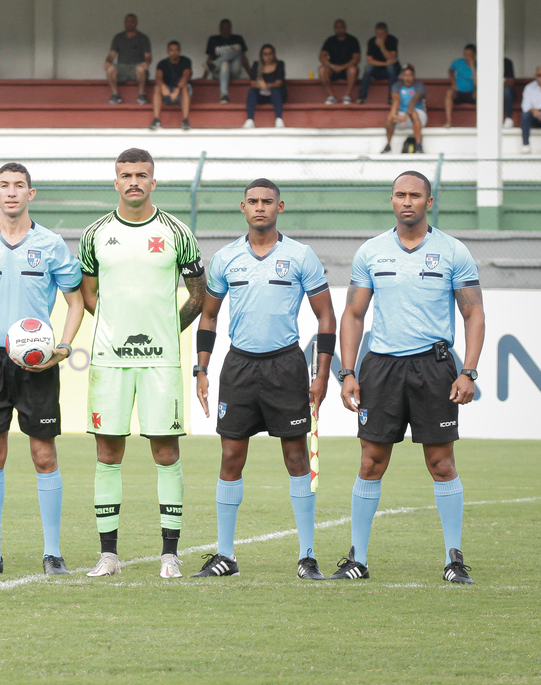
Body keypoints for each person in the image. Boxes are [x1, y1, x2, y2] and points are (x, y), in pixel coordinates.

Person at [330, 170, 485, 584]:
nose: (407, 201)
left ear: (428, 202)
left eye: (415, 195)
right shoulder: (371, 252)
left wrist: (468, 371)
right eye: (400, 194)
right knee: (370, 461)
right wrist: (348, 372)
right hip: (381, 368)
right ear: (392, 200)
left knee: (441, 462)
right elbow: (354, 315)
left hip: (434, 367)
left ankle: (454, 559)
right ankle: (357, 559)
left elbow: (473, 313)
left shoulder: (452, 251)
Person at [192, 179, 336, 580]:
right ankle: (225, 555)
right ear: (243, 207)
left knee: (296, 457)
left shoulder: (300, 256)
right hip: (239, 366)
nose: (260, 207)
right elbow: (209, 315)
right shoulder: (226, 258)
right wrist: (201, 368)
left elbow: (326, 315)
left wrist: (322, 373)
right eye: (253, 201)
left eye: (267, 201)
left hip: (285, 366)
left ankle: (307, 556)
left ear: (279, 207)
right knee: (230, 457)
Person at [78, 148, 207, 579]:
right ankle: (108, 556)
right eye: (126, 175)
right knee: (107, 452)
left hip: (161, 361)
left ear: (154, 181)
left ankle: (170, 555)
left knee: (166, 452)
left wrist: (167, 329)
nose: (133, 181)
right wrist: (116, 326)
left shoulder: (177, 232)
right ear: (115, 181)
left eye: (141, 174)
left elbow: (199, 294)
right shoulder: (94, 234)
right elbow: (89, 294)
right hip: (109, 360)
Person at [0, 163, 85, 576]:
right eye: (4, 186)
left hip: (38, 363)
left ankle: (53, 553)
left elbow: (76, 300)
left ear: (31, 193)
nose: (11, 192)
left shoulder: (51, 244)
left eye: (19, 186)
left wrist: (64, 346)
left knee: (44, 455)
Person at [104, 13, 152, 105]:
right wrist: (107, 62)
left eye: (131, 22)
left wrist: (146, 63)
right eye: (126, 21)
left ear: (136, 23)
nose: (129, 24)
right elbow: (112, 55)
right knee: (110, 69)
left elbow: (148, 56)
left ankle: (141, 95)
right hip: (122, 67)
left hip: (136, 67)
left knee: (141, 69)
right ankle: (115, 95)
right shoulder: (118, 37)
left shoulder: (143, 38)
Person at [382, 65, 426, 154]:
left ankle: (419, 146)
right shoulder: (397, 86)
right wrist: (394, 115)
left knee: (414, 113)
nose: (407, 78)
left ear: (414, 75)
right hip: (403, 115)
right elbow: (396, 101)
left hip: (419, 115)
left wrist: (406, 116)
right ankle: (388, 145)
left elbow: (412, 102)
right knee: (390, 116)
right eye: (405, 75)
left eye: (410, 75)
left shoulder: (419, 85)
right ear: (402, 75)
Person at [150, 41, 192, 131]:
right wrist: (163, 86)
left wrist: (177, 90)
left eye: (176, 50)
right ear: (168, 51)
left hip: (181, 93)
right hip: (168, 93)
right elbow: (158, 77)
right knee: (157, 88)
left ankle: (185, 120)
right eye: (171, 50)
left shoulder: (186, 61)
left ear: (179, 51)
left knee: (185, 87)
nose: (174, 53)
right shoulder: (162, 63)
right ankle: (156, 120)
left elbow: (186, 76)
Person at [243, 44, 286, 128]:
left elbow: (279, 82)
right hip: (261, 95)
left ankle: (279, 119)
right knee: (251, 92)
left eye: (270, 53)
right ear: (261, 55)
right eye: (265, 54)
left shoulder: (279, 64)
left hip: (276, 96)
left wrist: (267, 85)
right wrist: (261, 86)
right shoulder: (257, 65)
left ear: (274, 54)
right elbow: (253, 83)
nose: (268, 56)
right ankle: (250, 120)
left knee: (276, 91)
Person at [205, 19, 248, 104]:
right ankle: (224, 96)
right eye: (223, 28)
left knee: (238, 47)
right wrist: (204, 76)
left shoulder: (237, 39)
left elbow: (243, 58)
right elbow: (210, 57)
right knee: (224, 64)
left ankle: (215, 63)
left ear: (231, 29)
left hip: (233, 71)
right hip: (219, 72)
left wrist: (251, 74)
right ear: (219, 29)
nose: (225, 30)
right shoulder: (213, 40)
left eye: (227, 28)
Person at [318, 19, 360, 105]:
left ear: (345, 28)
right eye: (336, 27)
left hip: (347, 69)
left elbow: (357, 58)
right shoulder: (330, 40)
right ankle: (332, 96)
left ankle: (347, 96)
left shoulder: (352, 40)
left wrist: (343, 67)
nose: (339, 29)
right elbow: (322, 56)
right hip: (333, 69)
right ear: (334, 28)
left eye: (341, 27)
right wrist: (331, 66)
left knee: (353, 70)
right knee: (321, 70)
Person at [357, 22, 399, 104]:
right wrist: (385, 64)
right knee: (368, 68)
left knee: (391, 67)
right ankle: (362, 96)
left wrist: (382, 46)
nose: (380, 36)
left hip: (392, 72)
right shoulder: (371, 41)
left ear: (387, 32)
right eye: (378, 34)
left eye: (382, 34)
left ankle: (392, 97)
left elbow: (391, 58)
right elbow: (369, 60)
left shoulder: (392, 40)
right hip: (377, 70)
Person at [444, 44, 476, 128]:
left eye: (469, 55)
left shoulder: (479, 65)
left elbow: (476, 84)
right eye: (465, 54)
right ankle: (449, 122)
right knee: (449, 92)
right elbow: (450, 70)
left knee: (481, 94)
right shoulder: (457, 62)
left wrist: (472, 67)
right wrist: (453, 84)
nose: (466, 57)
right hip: (459, 92)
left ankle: (480, 121)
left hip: (472, 93)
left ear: (474, 55)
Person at [520, 66, 541, 153]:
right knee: (525, 116)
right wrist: (534, 111)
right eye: (539, 75)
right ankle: (526, 144)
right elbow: (525, 107)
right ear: (535, 76)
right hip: (534, 117)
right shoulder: (529, 87)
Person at [504, 57, 515, 129]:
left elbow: (511, 82)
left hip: (506, 90)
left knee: (506, 90)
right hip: (492, 90)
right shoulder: (488, 62)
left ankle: (508, 118)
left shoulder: (507, 62)